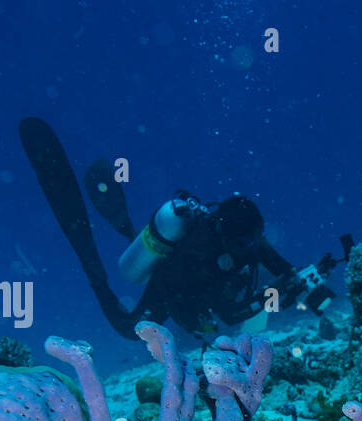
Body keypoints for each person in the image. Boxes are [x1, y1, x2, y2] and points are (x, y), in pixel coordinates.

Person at [18, 117, 305, 340]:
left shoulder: (245, 239)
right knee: (131, 330)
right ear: (226, 237)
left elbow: (279, 266)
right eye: (245, 244)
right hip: (172, 287)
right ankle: (96, 276)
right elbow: (230, 314)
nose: (252, 248)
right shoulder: (201, 254)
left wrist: (294, 279)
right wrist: (276, 296)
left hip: (197, 280)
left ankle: (128, 230)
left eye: (254, 241)